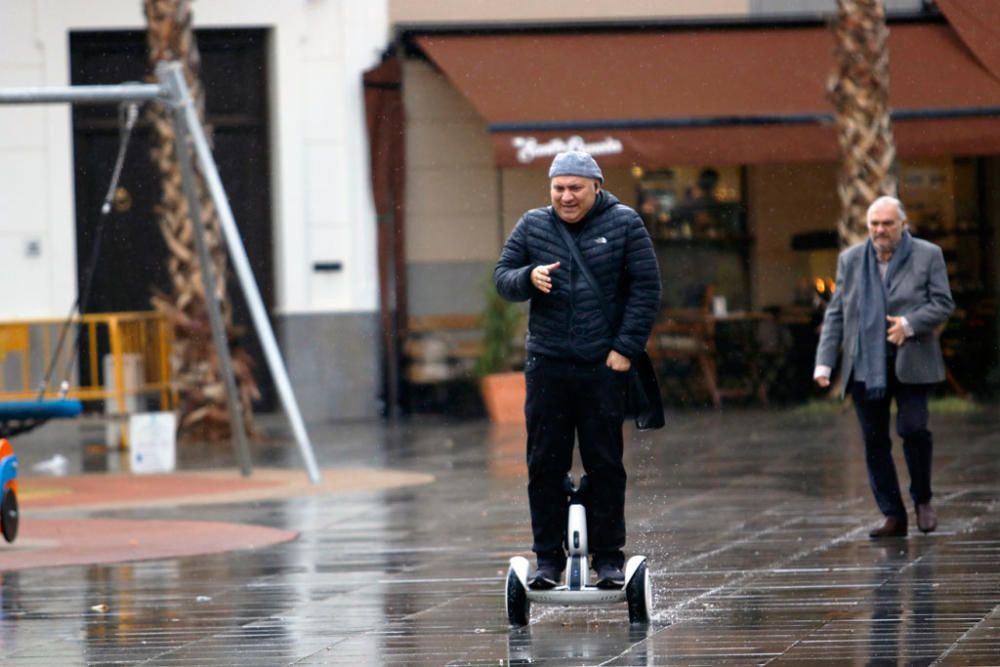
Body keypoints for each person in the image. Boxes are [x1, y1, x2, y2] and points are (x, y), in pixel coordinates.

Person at [494, 151, 661, 589]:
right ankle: (547, 558)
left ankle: (608, 558)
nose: (565, 197)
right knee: (544, 463)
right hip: (547, 363)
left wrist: (625, 349)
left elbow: (646, 289)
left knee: (604, 462)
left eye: (575, 188)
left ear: (597, 187)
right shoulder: (533, 225)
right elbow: (502, 277)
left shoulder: (625, 224)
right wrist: (527, 277)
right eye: (558, 188)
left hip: (602, 364)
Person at [814, 195, 954, 538]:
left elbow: (943, 303)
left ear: (903, 225)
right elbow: (836, 313)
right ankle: (893, 514)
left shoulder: (928, 255)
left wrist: (909, 323)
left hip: (912, 360)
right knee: (874, 440)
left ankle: (922, 499)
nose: (880, 230)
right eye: (874, 224)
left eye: (887, 223)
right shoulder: (850, 260)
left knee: (913, 429)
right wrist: (824, 362)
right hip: (865, 364)